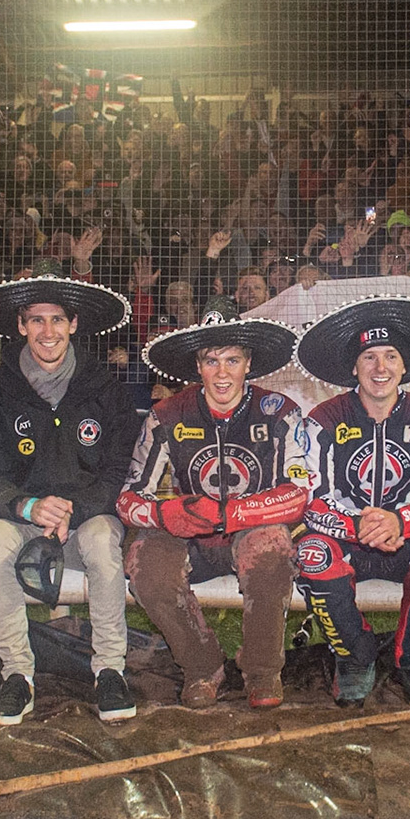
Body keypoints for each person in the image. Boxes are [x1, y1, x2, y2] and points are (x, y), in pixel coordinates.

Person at [0, 275, 140, 726]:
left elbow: (116, 472)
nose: (48, 331)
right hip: (26, 515)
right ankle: (18, 674)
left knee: (103, 541)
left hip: (88, 518)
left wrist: (73, 510)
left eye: (57, 319)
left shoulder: (106, 388)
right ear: (21, 326)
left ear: (73, 323)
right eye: (36, 320)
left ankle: (109, 670)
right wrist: (26, 507)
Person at [116, 302, 307, 708]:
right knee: (144, 565)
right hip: (193, 533)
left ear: (248, 362)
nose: (222, 373)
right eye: (211, 361)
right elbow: (130, 497)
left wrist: (232, 514)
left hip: (253, 531)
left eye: (232, 360)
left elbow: (298, 493)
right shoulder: (167, 415)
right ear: (197, 365)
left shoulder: (279, 412)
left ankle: (261, 672)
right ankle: (202, 667)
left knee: (272, 548)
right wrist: (167, 513)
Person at [292, 296, 410, 706]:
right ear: (354, 367)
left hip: (405, 539)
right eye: (369, 357)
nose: (380, 368)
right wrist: (360, 527)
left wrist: (399, 523)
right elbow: (309, 498)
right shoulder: (323, 418)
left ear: (405, 366)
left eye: (390, 357)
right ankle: (354, 656)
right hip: (347, 540)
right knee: (313, 552)